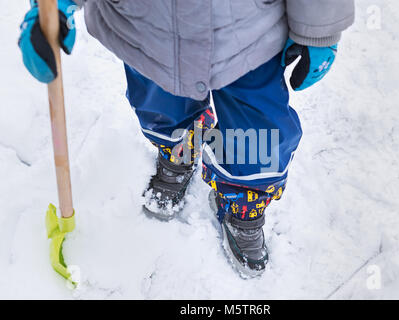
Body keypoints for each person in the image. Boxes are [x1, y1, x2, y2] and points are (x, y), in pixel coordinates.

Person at [19, 0, 354, 277]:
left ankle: (244, 199)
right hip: (144, 30)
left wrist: (320, 28)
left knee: (259, 134)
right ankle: (179, 146)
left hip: (248, 34)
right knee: (161, 106)